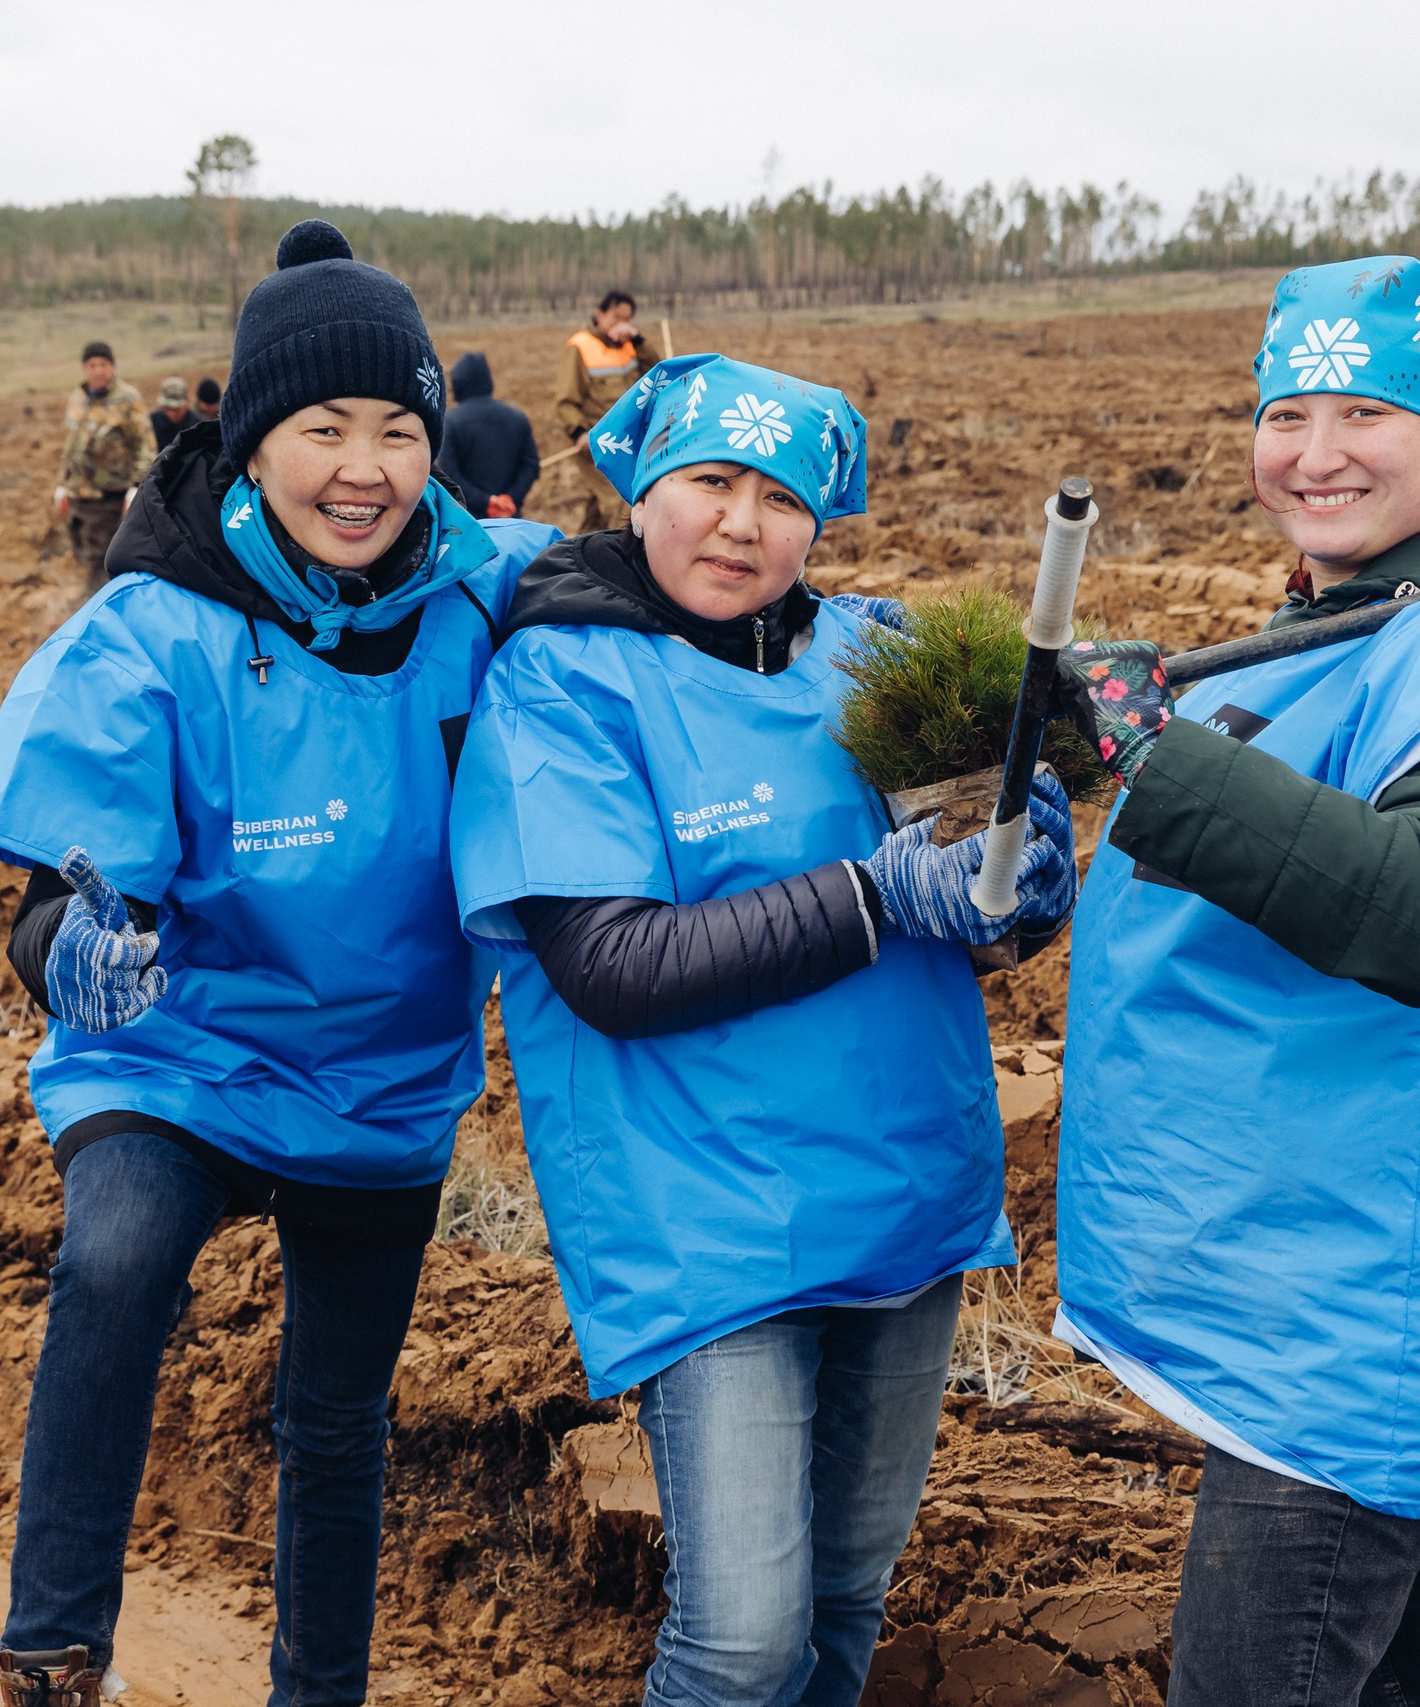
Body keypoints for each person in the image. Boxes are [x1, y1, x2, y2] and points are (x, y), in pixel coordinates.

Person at [0, 220, 560, 1707]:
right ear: (251, 440)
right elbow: (53, 895)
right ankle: (54, 1648)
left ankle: (318, 1690)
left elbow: (698, 595)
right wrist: (72, 950)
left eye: (398, 430)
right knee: (114, 1259)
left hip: (383, 1078)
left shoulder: (496, 599)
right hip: (184, 1054)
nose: (365, 466)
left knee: (339, 1415)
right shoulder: (155, 631)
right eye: (323, 428)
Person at [1049, 257, 1420, 1707]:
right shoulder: (1369, 615)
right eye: (1287, 409)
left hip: (1360, 1315)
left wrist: (1163, 759)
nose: (1315, 452)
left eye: (1364, 410)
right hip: (1307, 1281)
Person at [452, 354, 1077, 1707]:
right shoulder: (563, 680)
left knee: (845, 1601)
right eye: (710, 482)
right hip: (710, 1215)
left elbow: (968, 908)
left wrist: (1013, 890)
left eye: (781, 496)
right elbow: (612, 961)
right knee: (738, 1644)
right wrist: (869, 892)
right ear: (637, 484)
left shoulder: (873, 653)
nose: (743, 522)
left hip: (904, 1185)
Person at [552, 289, 658, 533]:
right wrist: (579, 432)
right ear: (599, 315)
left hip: (629, 441)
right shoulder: (579, 346)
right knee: (620, 502)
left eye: (627, 320)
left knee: (598, 506)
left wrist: (639, 340)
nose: (622, 325)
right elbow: (566, 400)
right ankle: (620, 561)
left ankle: (578, 551)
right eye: (616, 318)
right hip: (598, 444)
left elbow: (658, 373)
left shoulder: (631, 345)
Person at [53, 342, 154, 595]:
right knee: (82, 555)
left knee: (102, 561)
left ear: (112, 367)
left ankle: (93, 608)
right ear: (85, 369)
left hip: (109, 496)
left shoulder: (127, 399)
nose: (98, 371)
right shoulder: (78, 398)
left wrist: (136, 486)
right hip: (78, 495)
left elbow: (145, 445)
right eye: (92, 365)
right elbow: (71, 444)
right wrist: (62, 484)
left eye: (103, 365)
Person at [435, 352, 539, 520]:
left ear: (458, 384)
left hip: (470, 523)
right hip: (510, 519)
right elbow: (531, 465)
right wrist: (510, 499)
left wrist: (487, 503)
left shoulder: (451, 422)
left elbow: (448, 474)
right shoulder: (517, 417)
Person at [148, 375, 193, 451]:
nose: (171, 414)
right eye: (168, 409)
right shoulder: (152, 423)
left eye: (176, 409)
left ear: (186, 403)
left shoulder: (197, 426)